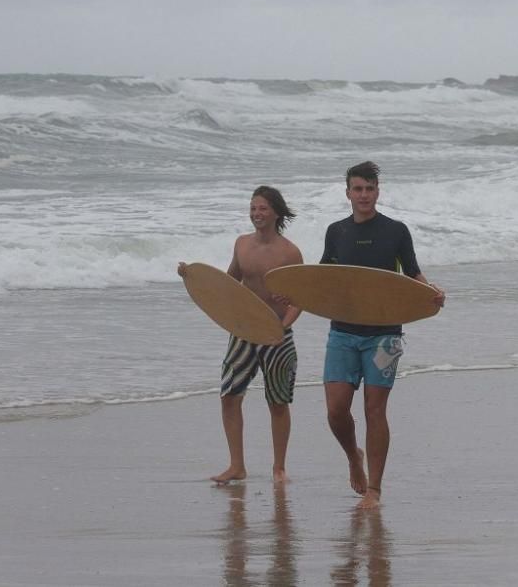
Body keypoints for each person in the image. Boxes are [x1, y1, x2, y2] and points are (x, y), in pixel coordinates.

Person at [319, 161, 445, 509]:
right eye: (357, 189)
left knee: (375, 410)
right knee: (335, 411)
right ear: (347, 193)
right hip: (342, 331)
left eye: (369, 189)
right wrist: (292, 296)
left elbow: (413, 273)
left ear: (378, 192)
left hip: (386, 336)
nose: (363, 195)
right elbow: (321, 279)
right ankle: (352, 455)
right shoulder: (336, 232)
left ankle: (374, 489)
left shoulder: (396, 231)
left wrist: (431, 292)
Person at [179, 186, 303, 484]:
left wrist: (284, 325)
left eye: (262, 208)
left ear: (276, 212)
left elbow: (302, 296)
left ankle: (279, 468)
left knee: (277, 402)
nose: (256, 214)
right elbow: (228, 283)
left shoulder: (290, 252)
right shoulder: (242, 245)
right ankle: (237, 466)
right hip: (244, 332)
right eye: (253, 208)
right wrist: (192, 277)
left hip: (276, 333)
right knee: (230, 396)